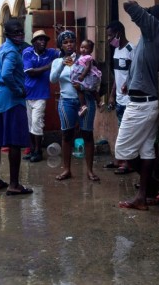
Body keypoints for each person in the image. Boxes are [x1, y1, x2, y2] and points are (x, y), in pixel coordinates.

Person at [115, 1, 159, 211]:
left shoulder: (155, 30)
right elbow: (143, 63)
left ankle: (152, 185)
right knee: (146, 150)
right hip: (148, 100)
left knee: (122, 151)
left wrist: (131, 6)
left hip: (142, 104)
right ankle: (143, 196)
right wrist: (129, 83)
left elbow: (140, 15)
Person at [0, 19, 33, 195]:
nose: (20, 35)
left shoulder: (3, 48)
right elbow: (7, 74)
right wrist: (18, 90)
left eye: (21, 31)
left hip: (0, 98)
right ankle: (14, 184)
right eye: (16, 33)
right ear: (8, 34)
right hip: (12, 100)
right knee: (15, 142)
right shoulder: (13, 53)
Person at [50, 30, 99, 182]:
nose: (69, 44)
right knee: (67, 135)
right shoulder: (57, 62)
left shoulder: (85, 59)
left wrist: (83, 88)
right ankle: (67, 170)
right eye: (65, 42)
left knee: (87, 135)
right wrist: (62, 64)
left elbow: (93, 79)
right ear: (61, 45)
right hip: (66, 101)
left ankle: (90, 171)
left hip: (85, 101)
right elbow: (53, 79)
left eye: (72, 41)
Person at [103, 20, 135, 174]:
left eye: (110, 35)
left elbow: (135, 73)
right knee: (121, 130)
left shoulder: (131, 49)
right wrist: (111, 95)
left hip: (130, 100)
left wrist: (129, 84)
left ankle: (127, 163)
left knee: (127, 132)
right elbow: (118, 75)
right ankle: (120, 160)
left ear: (118, 33)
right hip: (119, 99)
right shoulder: (117, 50)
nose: (109, 39)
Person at [22, 29, 59, 163]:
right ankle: (32, 150)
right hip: (28, 94)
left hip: (41, 94)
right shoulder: (27, 53)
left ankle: (38, 151)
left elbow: (63, 53)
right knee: (30, 124)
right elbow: (30, 72)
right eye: (40, 39)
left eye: (44, 39)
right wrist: (48, 66)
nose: (43, 42)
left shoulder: (50, 53)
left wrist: (60, 36)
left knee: (37, 123)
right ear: (34, 42)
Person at [71, 39, 101, 118]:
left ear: (91, 50)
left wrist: (82, 76)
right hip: (84, 77)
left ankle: (83, 105)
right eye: (81, 47)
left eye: (86, 48)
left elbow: (87, 67)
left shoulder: (88, 57)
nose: (83, 49)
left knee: (80, 89)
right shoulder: (80, 57)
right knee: (92, 90)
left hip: (87, 77)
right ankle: (99, 102)